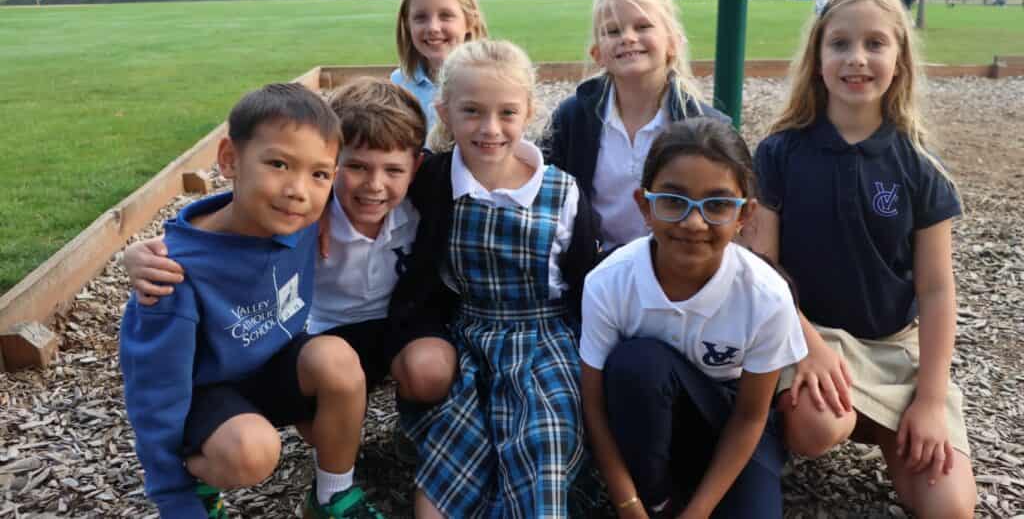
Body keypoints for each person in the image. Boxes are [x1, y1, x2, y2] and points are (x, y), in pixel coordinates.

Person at [123, 79, 461, 502]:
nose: (374, 185)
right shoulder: (289, 221)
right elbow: (155, 391)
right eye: (355, 168)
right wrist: (137, 255)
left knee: (361, 374)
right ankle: (198, 480)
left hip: (305, 353)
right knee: (266, 448)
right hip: (233, 380)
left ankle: (334, 495)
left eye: (317, 175)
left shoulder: (404, 197)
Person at [745, 0, 977, 518]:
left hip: (897, 353)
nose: (857, 59)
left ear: (899, 59)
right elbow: (762, 270)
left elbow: (937, 290)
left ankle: (883, 418)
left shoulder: (920, 166)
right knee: (816, 427)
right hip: (812, 336)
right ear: (817, 57)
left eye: (875, 44)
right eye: (840, 44)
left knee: (951, 509)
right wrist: (808, 345)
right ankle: (787, 421)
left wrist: (928, 401)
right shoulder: (780, 152)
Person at [388, 39, 601, 518]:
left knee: (545, 438)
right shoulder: (434, 179)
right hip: (469, 337)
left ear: (529, 111)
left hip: (546, 341)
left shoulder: (561, 191)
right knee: (457, 442)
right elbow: (372, 199)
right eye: (471, 112)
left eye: (507, 112)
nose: (489, 129)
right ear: (444, 112)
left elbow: (586, 281)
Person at [579, 117, 807, 519]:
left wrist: (699, 511)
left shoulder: (766, 295)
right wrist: (628, 502)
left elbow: (752, 415)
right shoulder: (608, 283)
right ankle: (659, 499)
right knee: (638, 364)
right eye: (673, 200)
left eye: (717, 204)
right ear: (644, 206)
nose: (693, 222)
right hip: (647, 431)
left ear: (744, 215)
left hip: (730, 426)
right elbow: (594, 407)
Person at [544, 0, 727, 250]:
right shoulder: (573, 119)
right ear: (598, 53)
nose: (628, 38)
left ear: (673, 44)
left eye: (643, 27)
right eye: (613, 31)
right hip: (594, 271)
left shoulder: (705, 126)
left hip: (672, 269)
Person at [391, 0, 489, 131]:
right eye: (420, 17)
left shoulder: (493, 83)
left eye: (445, 16)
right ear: (408, 25)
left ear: (470, 21)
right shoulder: (399, 84)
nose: (433, 28)